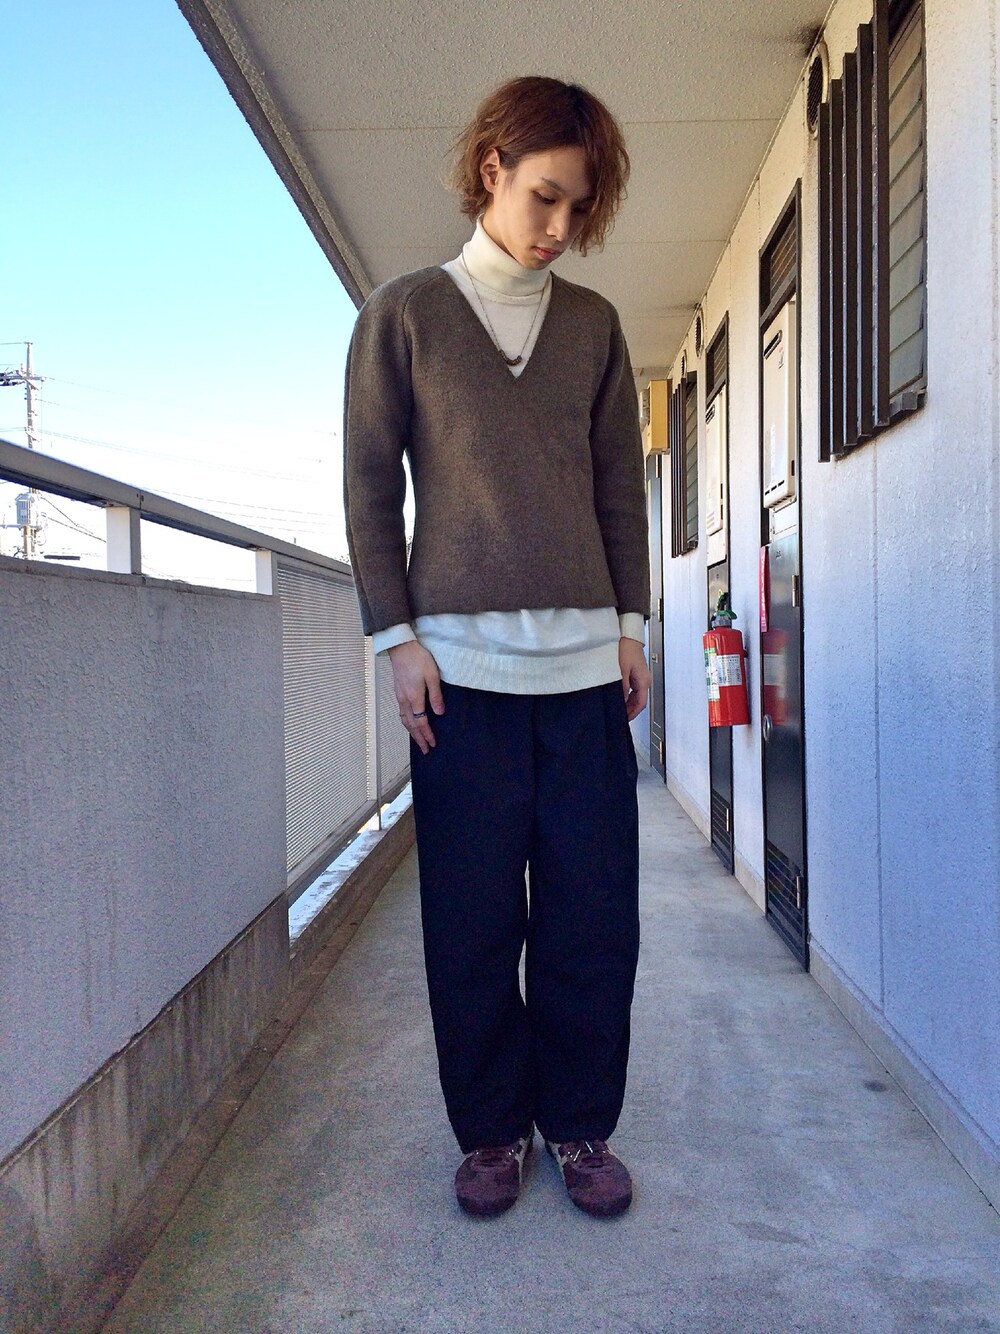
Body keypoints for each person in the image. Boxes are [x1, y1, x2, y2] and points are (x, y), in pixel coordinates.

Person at [344, 75, 650, 1219]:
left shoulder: (595, 327)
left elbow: (619, 488)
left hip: (581, 674)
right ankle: (488, 1132)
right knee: (471, 923)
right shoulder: (405, 314)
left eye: (579, 206)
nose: (561, 225)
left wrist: (629, 626)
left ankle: (578, 1125)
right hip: (457, 681)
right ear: (492, 171)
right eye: (545, 197)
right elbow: (368, 486)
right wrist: (396, 638)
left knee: (592, 918)